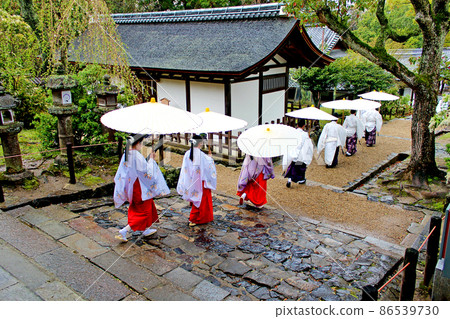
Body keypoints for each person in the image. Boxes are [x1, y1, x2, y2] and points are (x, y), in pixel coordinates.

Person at [114, 134, 170, 242]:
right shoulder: (136, 155)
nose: (142, 145)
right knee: (144, 211)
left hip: (132, 185)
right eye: (141, 142)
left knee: (142, 207)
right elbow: (146, 172)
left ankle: (146, 229)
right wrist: (152, 161)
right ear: (138, 143)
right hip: (140, 187)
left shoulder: (127, 153)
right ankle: (125, 230)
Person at [177, 134, 217, 227]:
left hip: (191, 180)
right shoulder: (200, 154)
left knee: (196, 198)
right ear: (200, 143)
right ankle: (194, 218)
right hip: (200, 181)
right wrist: (210, 158)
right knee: (201, 200)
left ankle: (198, 218)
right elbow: (208, 166)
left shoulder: (188, 153)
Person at [283, 119, 314, 187]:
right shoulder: (305, 135)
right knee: (300, 167)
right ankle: (301, 180)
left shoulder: (293, 133)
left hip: (293, 153)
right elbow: (308, 145)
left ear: (297, 125)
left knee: (292, 167)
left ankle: (289, 179)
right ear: (304, 126)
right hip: (300, 155)